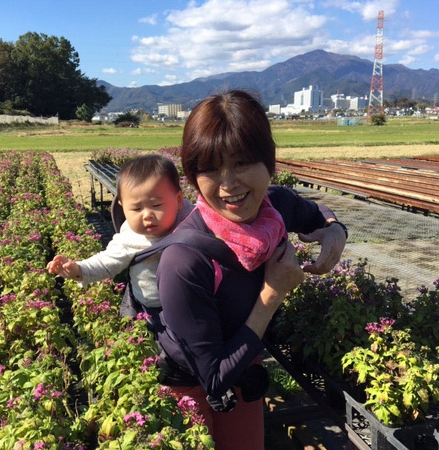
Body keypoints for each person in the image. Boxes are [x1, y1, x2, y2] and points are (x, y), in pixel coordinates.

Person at [153, 90, 347, 450]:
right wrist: (272, 294)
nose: (228, 185)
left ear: (269, 164)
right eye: (210, 169)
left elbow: (316, 213)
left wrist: (335, 231)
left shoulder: (275, 208)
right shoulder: (184, 260)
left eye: (242, 163)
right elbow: (213, 377)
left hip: (244, 358)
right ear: (193, 177)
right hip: (191, 380)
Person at [46, 154, 193, 318]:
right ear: (123, 207)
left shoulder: (192, 219)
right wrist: (78, 270)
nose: (147, 215)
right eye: (136, 209)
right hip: (155, 310)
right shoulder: (130, 236)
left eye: (156, 205)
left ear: (178, 200)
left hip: (195, 303)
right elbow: (106, 262)